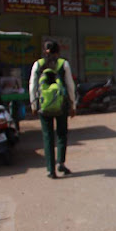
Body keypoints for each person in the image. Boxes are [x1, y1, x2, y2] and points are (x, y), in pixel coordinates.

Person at [29, 41, 77, 179]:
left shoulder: (38, 64)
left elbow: (32, 85)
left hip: (44, 106)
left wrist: (33, 105)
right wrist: (72, 105)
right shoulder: (63, 64)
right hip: (61, 105)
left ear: (44, 51)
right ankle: (60, 163)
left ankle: (50, 170)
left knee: (47, 136)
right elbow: (70, 86)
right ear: (58, 51)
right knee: (62, 134)